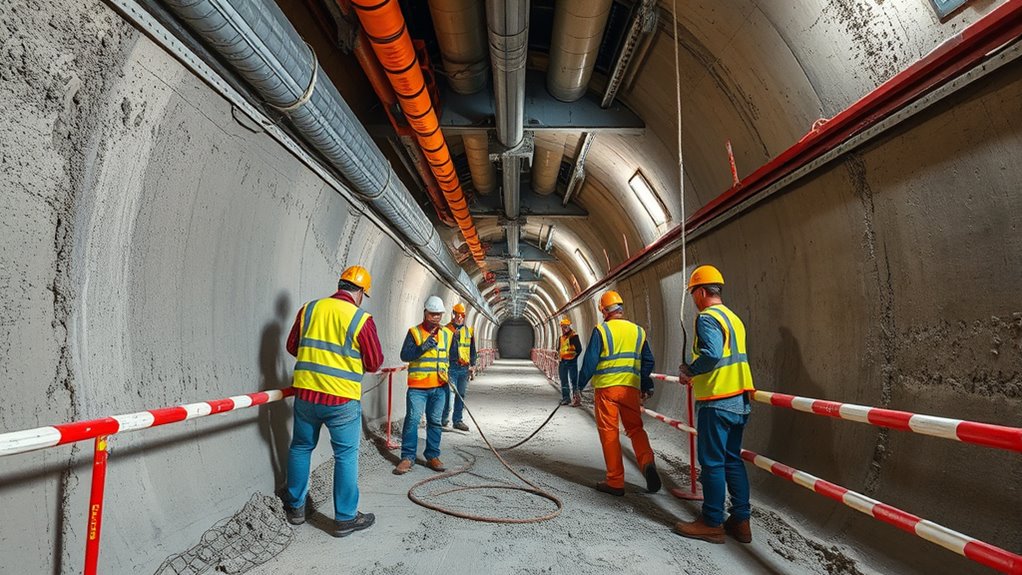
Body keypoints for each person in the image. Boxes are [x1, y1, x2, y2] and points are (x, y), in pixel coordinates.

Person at [283, 265, 382, 537]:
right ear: (360, 292)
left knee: (301, 448)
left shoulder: (309, 309)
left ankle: (295, 509)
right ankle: (345, 519)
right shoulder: (361, 319)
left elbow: (293, 346)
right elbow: (374, 362)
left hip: (306, 396)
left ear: (340, 285)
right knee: (346, 456)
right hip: (341, 402)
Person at [673, 265, 756, 545]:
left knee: (712, 463)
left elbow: (711, 353)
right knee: (732, 460)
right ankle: (741, 522)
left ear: (702, 291)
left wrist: (690, 371)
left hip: (717, 400)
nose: (694, 299)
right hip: (739, 400)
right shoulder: (733, 318)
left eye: (694, 293)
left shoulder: (707, 318)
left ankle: (711, 522)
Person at [578, 290, 661, 496]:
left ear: (604, 311)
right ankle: (647, 463)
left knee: (610, 433)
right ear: (621, 309)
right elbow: (648, 360)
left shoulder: (602, 331)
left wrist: (578, 386)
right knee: (635, 429)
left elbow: (590, 363)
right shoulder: (638, 331)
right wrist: (644, 383)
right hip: (630, 390)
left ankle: (615, 481)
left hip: (607, 390)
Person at [394, 295, 451, 475]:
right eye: (432, 314)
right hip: (418, 388)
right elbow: (405, 355)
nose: (435, 317)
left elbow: (453, 357)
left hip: (439, 387)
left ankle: (432, 455)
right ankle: (407, 457)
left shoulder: (447, 334)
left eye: (439, 314)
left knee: (435, 421)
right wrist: (422, 348)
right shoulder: (414, 332)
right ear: (425, 312)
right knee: (412, 420)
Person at [442, 302, 476, 431]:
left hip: (464, 368)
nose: (459, 317)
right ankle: (444, 419)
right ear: (453, 314)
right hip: (450, 366)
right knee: (448, 395)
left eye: (462, 315)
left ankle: (457, 420)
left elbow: (472, 349)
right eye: (457, 314)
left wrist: (473, 364)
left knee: (460, 394)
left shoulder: (468, 331)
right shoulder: (446, 330)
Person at [557, 316, 583, 407]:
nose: (564, 329)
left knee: (573, 381)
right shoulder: (561, 338)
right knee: (564, 380)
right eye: (563, 327)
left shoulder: (574, 336)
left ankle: (576, 399)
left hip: (571, 362)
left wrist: (574, 358)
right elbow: (559, 349)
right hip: (562, 361)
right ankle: (566, 398)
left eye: (565, 327)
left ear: (569, 326)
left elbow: (579, 349)